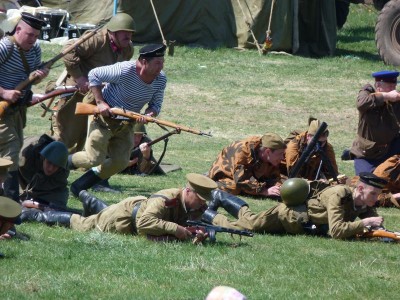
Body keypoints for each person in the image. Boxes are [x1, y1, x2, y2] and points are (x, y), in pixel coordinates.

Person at [67, 43, 167, 197]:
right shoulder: (124, 69)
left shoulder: (160, 79)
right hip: (103, 119)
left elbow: (156, 104)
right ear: (145, 62)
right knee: (93, 158)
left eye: (162, 62)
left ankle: (79, 186)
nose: (161, 67)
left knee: (120, 162)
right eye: (157, 63)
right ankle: (59, 162)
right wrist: (100, 102)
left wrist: (149, 114)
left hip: (126, 123)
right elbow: (94, 74)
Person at [20, 173, 217, 243]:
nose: (203, 204)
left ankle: (92, 203)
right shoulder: (165, 198)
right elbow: (144, 223)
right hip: (121, 218)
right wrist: (178, 230)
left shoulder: (192, 205)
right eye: (200, 199)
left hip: (131, 210)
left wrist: (194, 235)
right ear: (188, 191)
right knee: (80, 223)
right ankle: (34, 215)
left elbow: (178, 228)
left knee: (93, 215)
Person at [203, 173, 387, 240]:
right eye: (373, 193)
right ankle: (205, 213)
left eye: (377, 194)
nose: (376, 198)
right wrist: (366, 223)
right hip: (287, 216)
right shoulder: (339, 194)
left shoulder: (364, 203)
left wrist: (380, 229)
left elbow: (374, 223)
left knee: (249, 217)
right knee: (244, 225)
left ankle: (220, 197)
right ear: (360, 188)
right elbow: (337, 231)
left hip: (298, 224)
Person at [51, 12, 135, 153]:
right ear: (112, 32)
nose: (128, 36)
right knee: (66, 136)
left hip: (100, 98)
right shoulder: (96, 40)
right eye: (124, 32)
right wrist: (80, 78)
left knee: (89, 137)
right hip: (77, 93)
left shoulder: (127, 49)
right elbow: (68, 51)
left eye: (130, 33)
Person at [0, 12, 49, 202]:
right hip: (2, 108)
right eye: (30, 35)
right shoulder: (4, 47)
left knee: (15, 147)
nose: (33, 39)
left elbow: (29, 79)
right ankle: (11, 206)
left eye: (36, 36)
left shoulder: (35, 50)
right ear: (18, 29)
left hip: (17, 111)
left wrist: (40, 76)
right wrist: (4, 93)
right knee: (10, 151)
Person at [350, 70, 400, 175]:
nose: (393, 89)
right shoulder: (367, 94)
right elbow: (361, 103)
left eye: (394, 86)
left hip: (391, 149)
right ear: (378, 85)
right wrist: (386, 96)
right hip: (368, 154)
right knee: (367, 184)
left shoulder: (396, 100)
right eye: (389, 86)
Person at [208, 132, 286, 198]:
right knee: (234, 188)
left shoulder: (269, 157)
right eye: (280, 154)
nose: (282, 157)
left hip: (250, 175)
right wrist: (264, 191)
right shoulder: (243, 151)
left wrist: (278, 187)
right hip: (226, 175)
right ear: (268, 152)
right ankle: (212, 184)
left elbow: (274, 176)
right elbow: (241, 179)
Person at [92, 123, 159, 193]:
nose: (137, 139)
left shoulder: (144, 143)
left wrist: (146, 155)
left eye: (140, 136)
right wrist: (123, 164)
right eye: (134, 135)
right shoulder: (117, 141)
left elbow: (146, 171)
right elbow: (98, 162)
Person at [18, 134, 69, 210]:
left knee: (59, 206)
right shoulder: (26, 156)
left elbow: (59, 188)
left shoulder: (63, 169)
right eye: (49, 162)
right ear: (43, 158)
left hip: (42, 183)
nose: (50, 168)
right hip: (21, 171)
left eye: (55, 165)